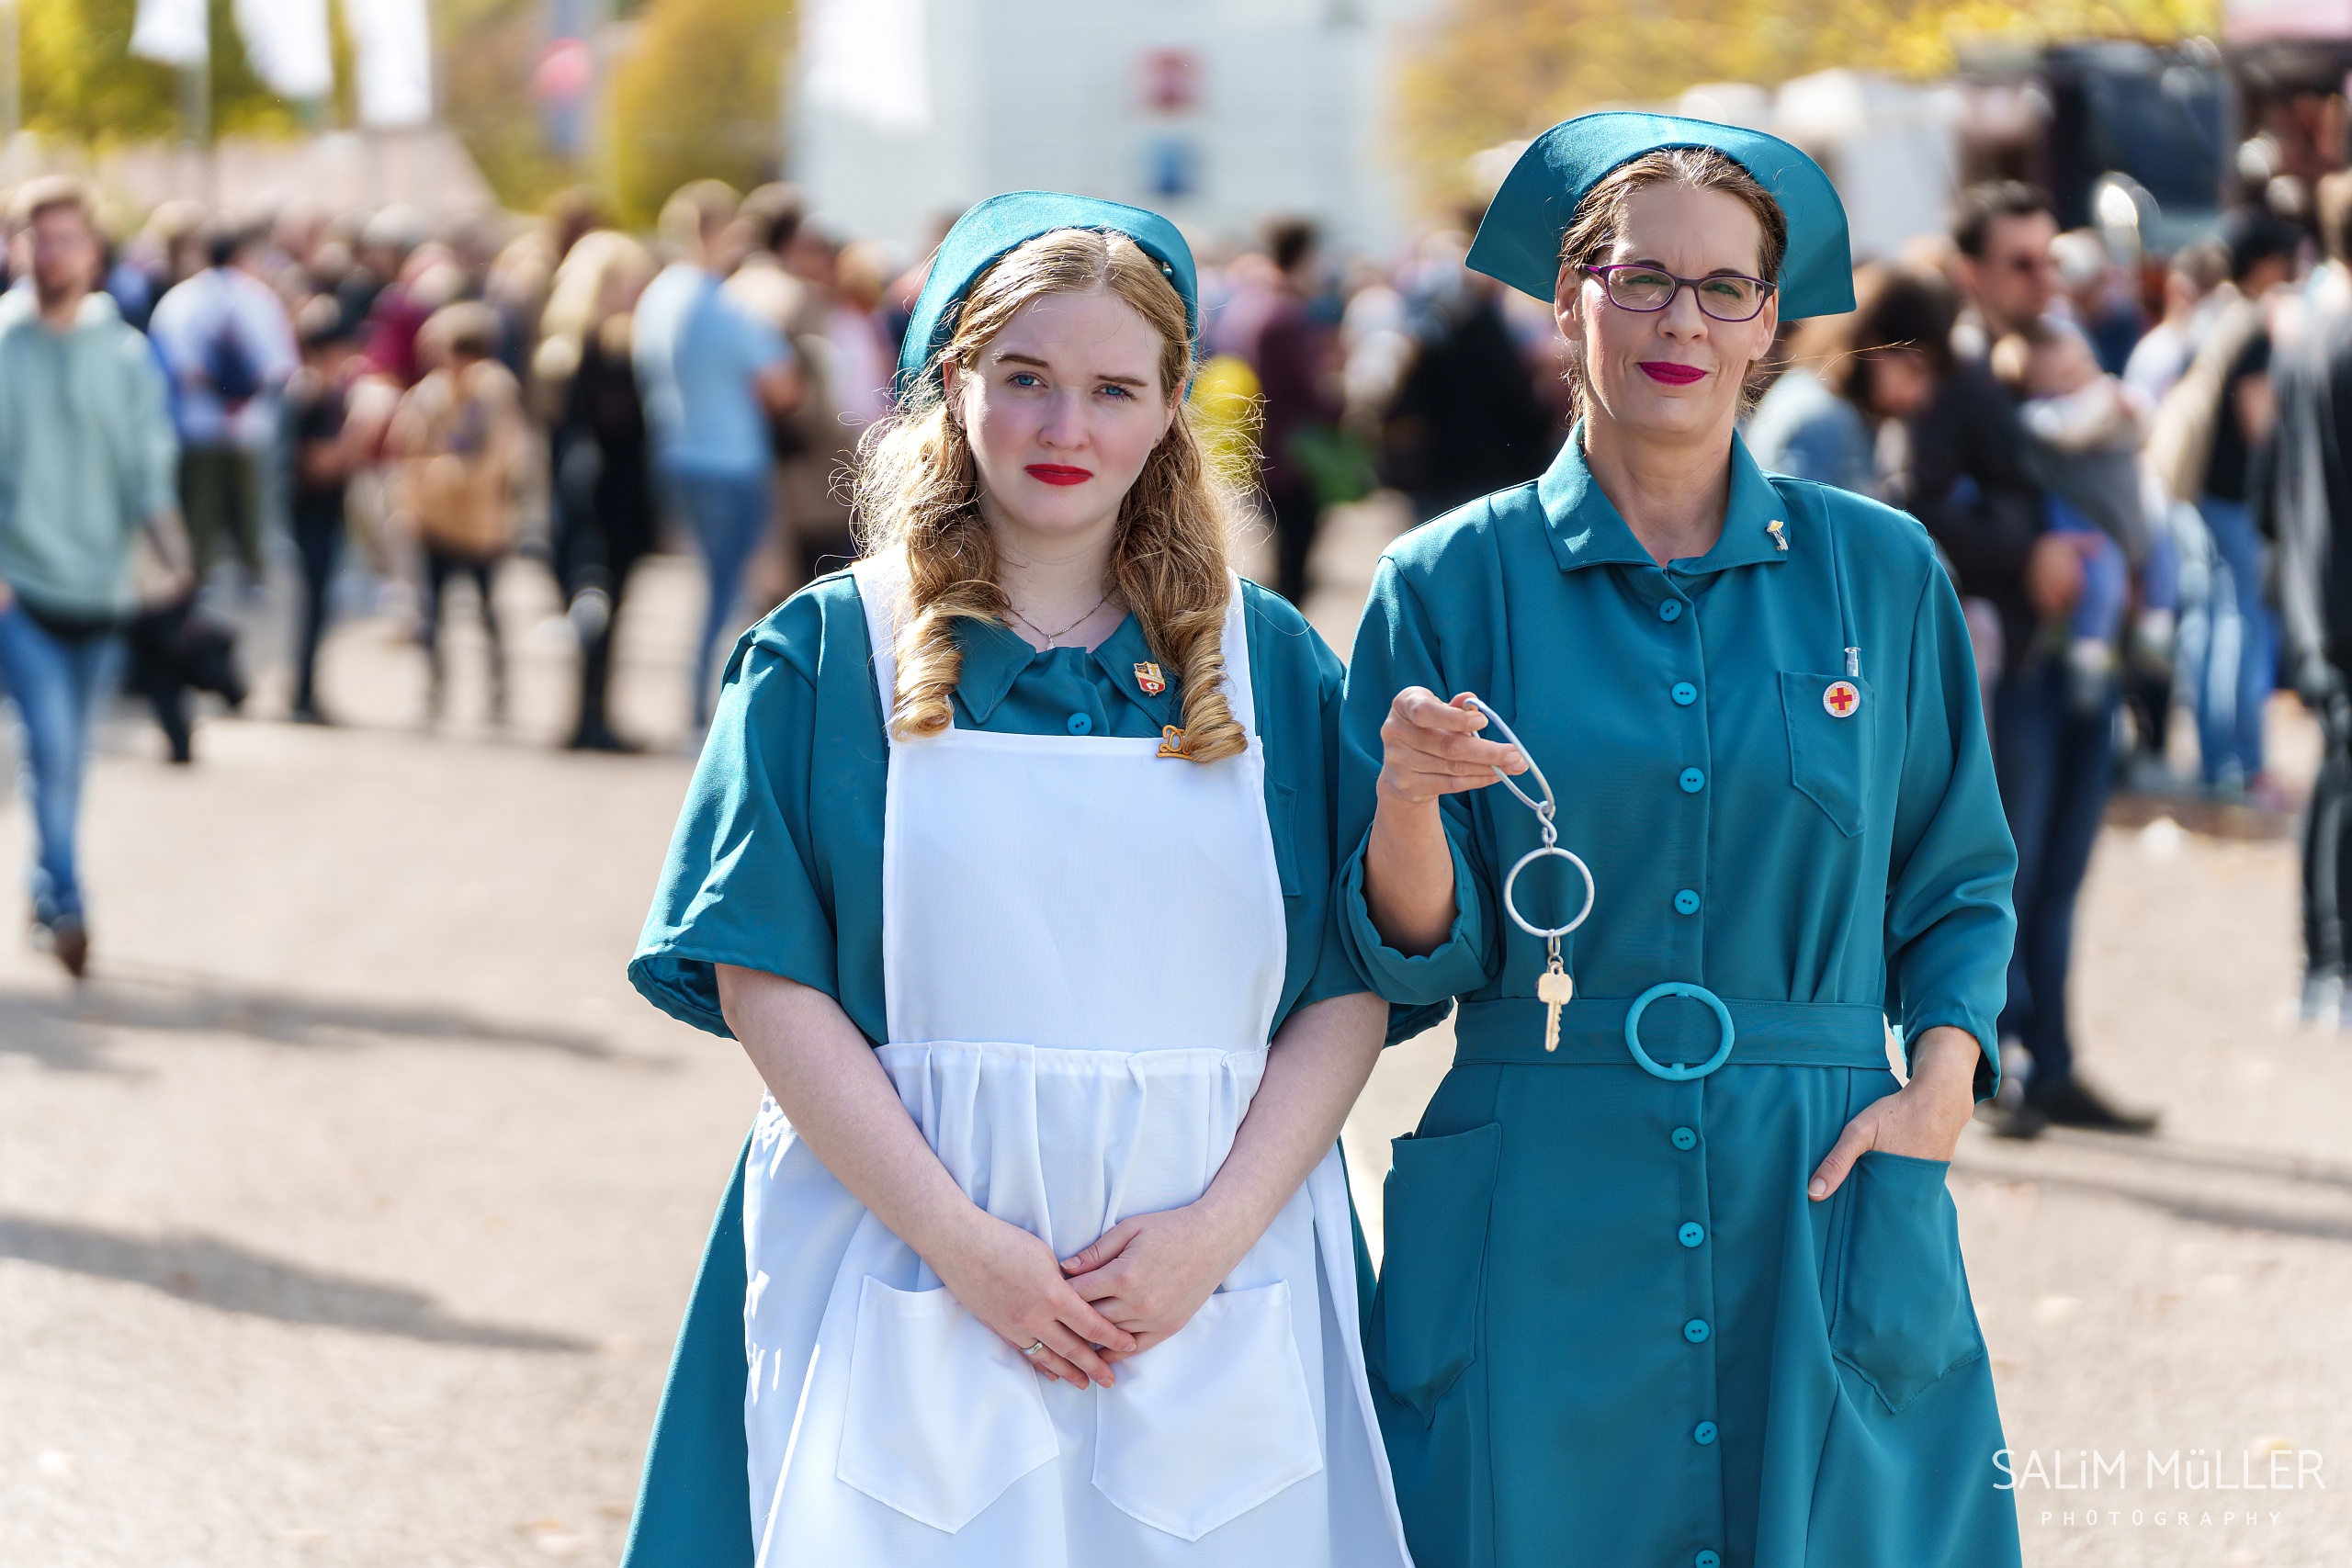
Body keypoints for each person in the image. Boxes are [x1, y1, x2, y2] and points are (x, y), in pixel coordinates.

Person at [619, 193, 1410, 1567]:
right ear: (952, 383)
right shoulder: (827, 655)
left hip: (1213, 1269)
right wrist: (960, 1241)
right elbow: (764, 974)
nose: (1065, 429)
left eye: (1114, 388)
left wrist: (1216, 1234)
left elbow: (1345, 985)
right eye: (1025, 378)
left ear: (1173, 406)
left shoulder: (1266, 661)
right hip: (903, 1249)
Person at [1336, 116, 2022, 1568]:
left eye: (1724, 288)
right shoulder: (1444, 582)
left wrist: (1942, 1083)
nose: (1679, 321)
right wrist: (1405, 797)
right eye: (1640, 276)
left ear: (1770, 321)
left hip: (1821, 1169)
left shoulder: (1881, 573)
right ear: (1567, 292)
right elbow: (1407, 963)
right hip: (1542, 1189)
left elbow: (1956, 874)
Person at [1913, 181, 2154, 1136]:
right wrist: (2030, 554)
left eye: (2049, 258)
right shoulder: (1948, 374)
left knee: (2060, 869)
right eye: (2019, 262)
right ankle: (1999, 1062)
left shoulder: (2066, 358)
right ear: (1970, 271)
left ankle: (2051, 1057)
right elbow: (1916, 502)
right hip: (2005, 660)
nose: (2041, 279)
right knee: (2001, 871)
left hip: (2081, 656)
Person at [0, 179, 187, 976]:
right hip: (21, 589)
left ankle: (48, 887)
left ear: (94, 251)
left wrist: (174, 555)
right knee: (47, 741)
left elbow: (150, 468)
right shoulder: (3, 345)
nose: (52, 253)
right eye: (38, 238)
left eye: (67, 238)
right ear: (18, 247)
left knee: (71, 756)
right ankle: (70, 899)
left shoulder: (126, 354)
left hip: (103, 587)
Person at [633, 181, 805, 726]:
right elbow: (784, 387)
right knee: (731, 590)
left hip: (675, 454)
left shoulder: (658, 294)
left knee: (710, 584)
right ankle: (711, 705)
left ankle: (699, 698)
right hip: (729, 461)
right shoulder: (719, 303)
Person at [2177, 211, 2298, 799]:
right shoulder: (2252, 326)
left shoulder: (2213, 314)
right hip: (2234, 496)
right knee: (2242, 624)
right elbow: (2260, 424)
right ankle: (2242, 764)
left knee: (2212, 619)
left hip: (2204, 491)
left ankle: (2213, 761)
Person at [2269, 170, 2352, 1024]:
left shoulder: (2302, 336)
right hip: (2335, 602)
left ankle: (2325, 962)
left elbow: (2276, 487)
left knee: (2333, 781)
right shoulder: (2333, 339)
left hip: (2311, 594)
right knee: (2338, 785)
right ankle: (2329, 962)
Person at [537, 230, 659, 751]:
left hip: (581, 493)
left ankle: (587, 714)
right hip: (613, 492)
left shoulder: (560, 345)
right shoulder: (611, 344)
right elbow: (622, 423)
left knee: (591, 604)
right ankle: (593, 718)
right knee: (604, 607)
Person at [388, 302, 529, 725]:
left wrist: (441, 473)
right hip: (435, 521)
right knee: (432, 613)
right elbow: (407, 451)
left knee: (487, 613)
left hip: (480, 525)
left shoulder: (494, 395)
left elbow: (497, 460)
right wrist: (409, 502)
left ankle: (499, 695)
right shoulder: (430, 395)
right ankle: (433, 692)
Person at [147, 221, 298, 584]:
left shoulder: (181, 299)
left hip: (200, 423)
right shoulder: (260, 297)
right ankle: (242, 573)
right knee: (242, 506)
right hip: (241, 424)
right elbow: (280, 365)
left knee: (208, 507)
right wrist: (238, 401)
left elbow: (171, 364)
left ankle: (199, 576)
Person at [285, 295, 366, 725]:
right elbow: (315, 463)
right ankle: (301, 691)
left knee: (318, 605)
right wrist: (357, 442)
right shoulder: (311, 395)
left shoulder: (326, 392)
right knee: (309, 604)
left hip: (322, 512)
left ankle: (306, 688)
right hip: (309, 514)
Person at [1253, 218, 1343, 606]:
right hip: (1292, 453)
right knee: (1293, 565)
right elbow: (1309, 390)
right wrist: (1338, 400)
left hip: (1265, 445)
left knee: (1284, 559)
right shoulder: (1287, 314)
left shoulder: (1258, 305)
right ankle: (1283, 655)